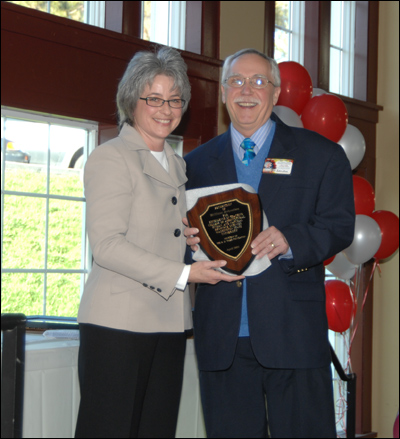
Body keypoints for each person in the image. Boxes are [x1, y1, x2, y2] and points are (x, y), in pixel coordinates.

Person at [184, 48, 355, 438]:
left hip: (292, 335)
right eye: (236, 81)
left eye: (259, 81)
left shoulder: (321, 156)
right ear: (224, 92)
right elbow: (176, 241)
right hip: (222, 339)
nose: (247, 90)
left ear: (276, 93)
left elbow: (339, 225)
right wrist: (188, 241)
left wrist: (290, 239)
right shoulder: (194, 164)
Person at [75, 46, 242, 439]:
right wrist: (185, 272)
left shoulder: (178, 163)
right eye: (154, 99)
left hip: (168, 324)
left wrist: (196, 243)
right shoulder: (110, 158)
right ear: (132, 100)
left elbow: (162, 233)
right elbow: (108, 246)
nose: (166, 109)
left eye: (174, 99)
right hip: (117, 324)